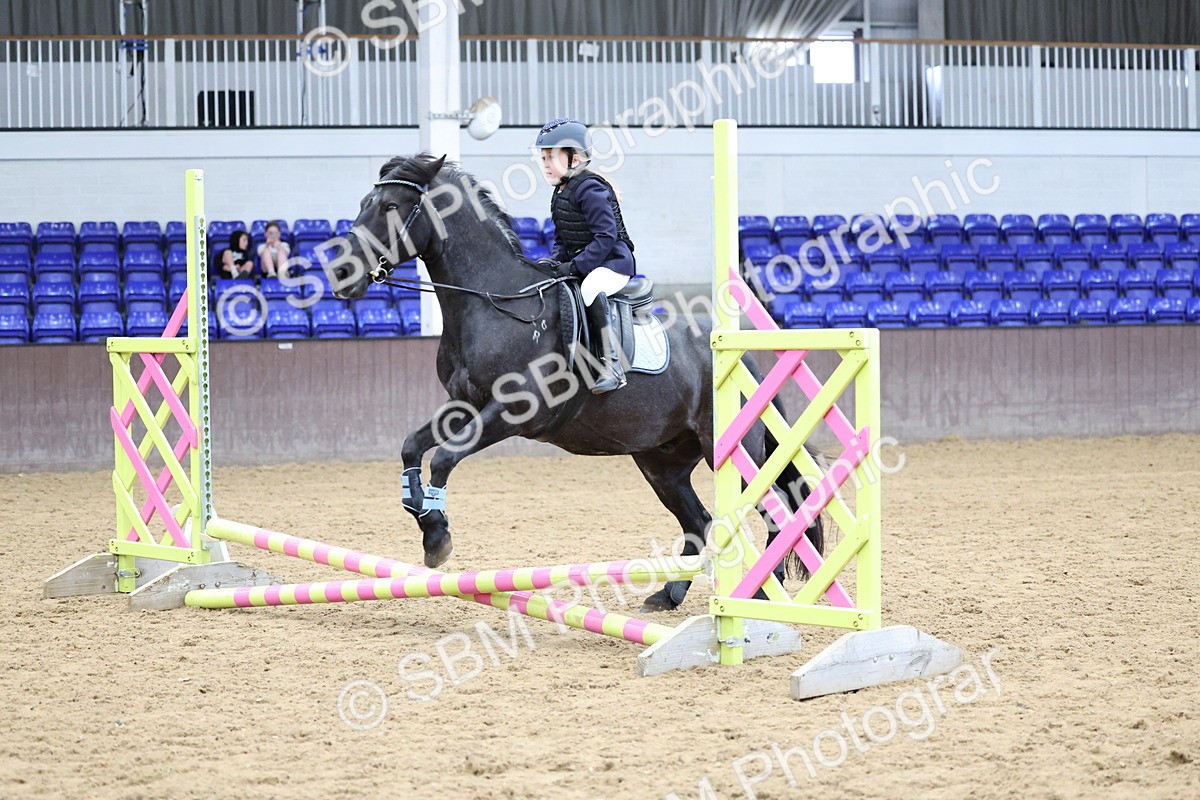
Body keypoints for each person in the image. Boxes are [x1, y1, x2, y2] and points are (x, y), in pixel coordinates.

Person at [535, 117, 635, 394]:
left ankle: (613, 367)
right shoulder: (560, 192)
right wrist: (554, 264)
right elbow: (562, 238)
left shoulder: (590, 189)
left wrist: (575, 267)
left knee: (590, 288)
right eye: (543, 158)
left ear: (575, 160)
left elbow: (606, 237)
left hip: (613, 263)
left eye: (551, 157)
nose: (545, 164)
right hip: (588, 263)